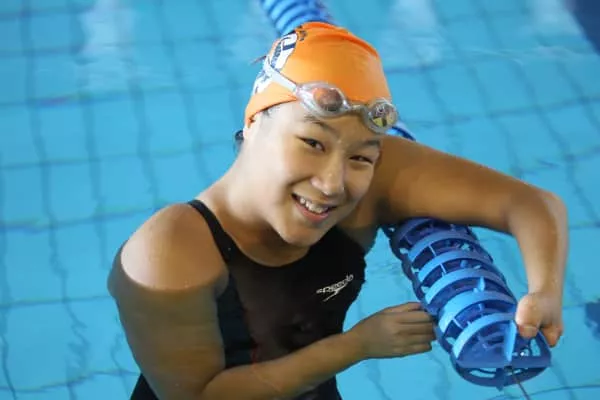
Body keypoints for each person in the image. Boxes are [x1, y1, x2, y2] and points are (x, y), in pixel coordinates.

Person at [107, 22, 567, 400]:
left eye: (361, 156)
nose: (333, 184)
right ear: (254, 122)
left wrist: (544, 290)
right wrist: (356, 346)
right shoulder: (170, 250)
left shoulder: (377, 174)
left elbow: (530, 204)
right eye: (312, 143)